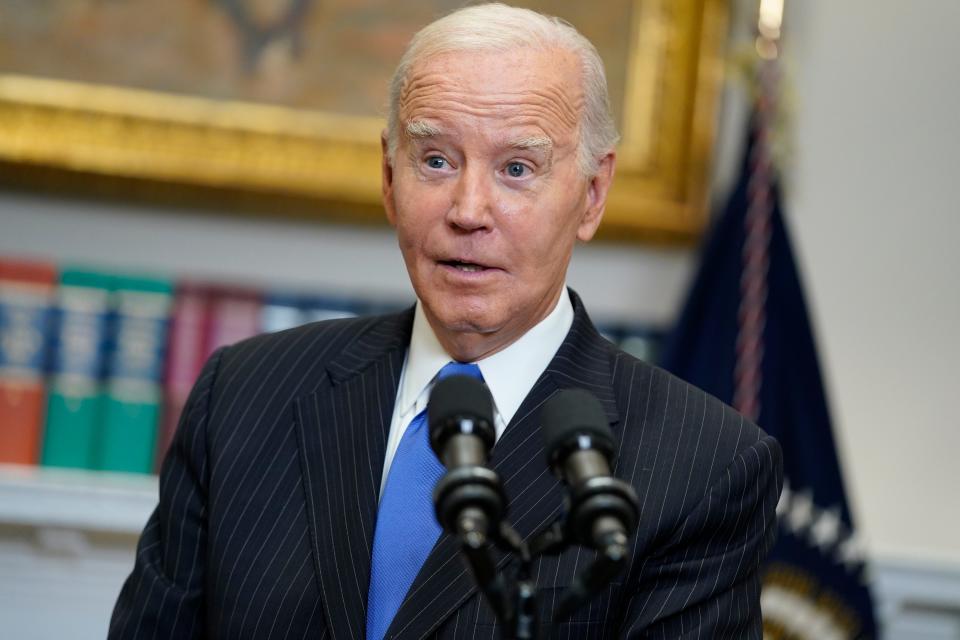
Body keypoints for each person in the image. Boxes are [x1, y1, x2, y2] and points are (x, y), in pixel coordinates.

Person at [110, 3, 782, 638]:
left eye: (517, 168)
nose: (468, 209)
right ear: (388, 178)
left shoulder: (705, 467)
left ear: (592, 195)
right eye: (436, 160)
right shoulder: (243, 396)